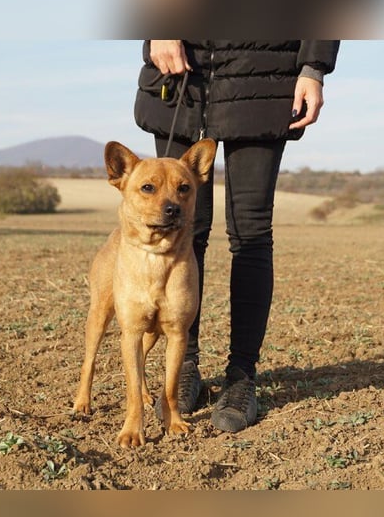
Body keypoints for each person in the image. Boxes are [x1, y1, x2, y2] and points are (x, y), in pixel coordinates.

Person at [134, 40, 340, 432]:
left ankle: (242, 377)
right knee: (181, 232)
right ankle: (186, 364)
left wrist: (313, 68)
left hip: (266, 69)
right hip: (184, 73)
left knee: (251, 233)